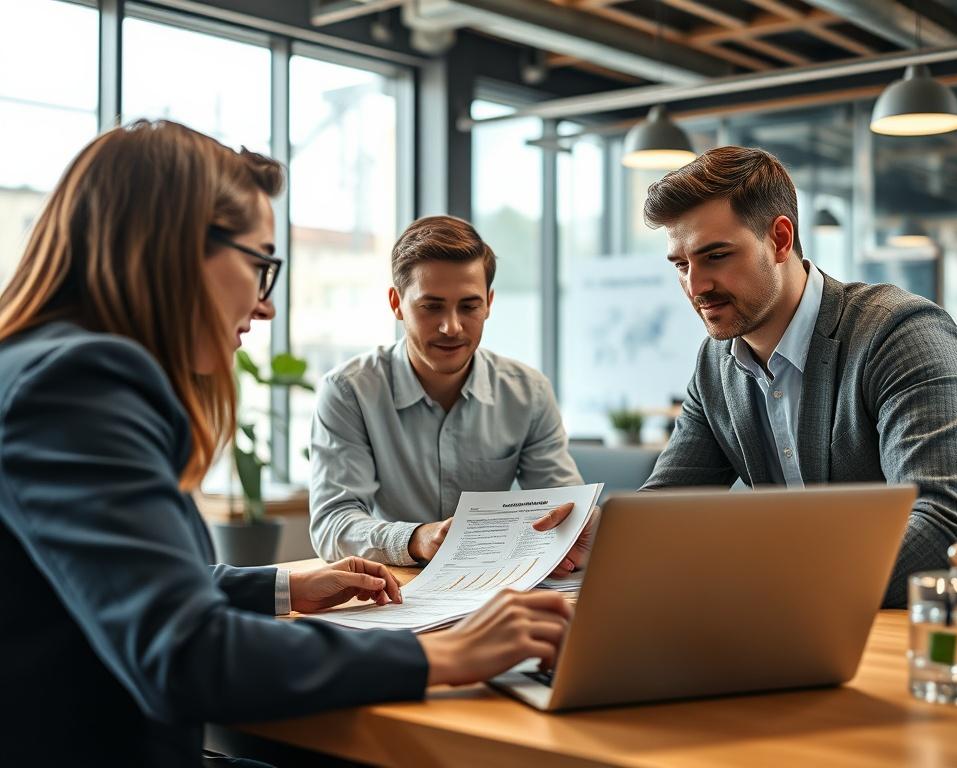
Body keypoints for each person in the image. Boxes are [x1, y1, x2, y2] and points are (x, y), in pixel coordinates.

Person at [0, 120, 573, 767]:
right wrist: (444, 653)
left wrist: (283, 587)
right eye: (260, 264)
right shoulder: (77, 383)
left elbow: (133, 583)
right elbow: (188, 654)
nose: (267, 305)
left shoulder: (44, 366)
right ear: (177, 248)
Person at [638, 145, 957, 617]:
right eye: (681, 265)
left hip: (949, 636)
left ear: (780, 239)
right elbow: (667, 510)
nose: (696, 287)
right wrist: (602, 538)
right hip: (806, 627)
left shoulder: (900, 334)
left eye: (715, 256)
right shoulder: (716, 364)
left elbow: (942, 528)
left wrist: (770, 587)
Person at [309, 215, 590, 574]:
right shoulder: (349, 392)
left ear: (488, 303)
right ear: (396, 303)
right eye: (432, 306)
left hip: (495, 584)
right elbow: (333, 522)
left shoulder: (528, 392)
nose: (452, 327)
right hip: (394, 587)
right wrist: (416, 538)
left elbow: (566, 504)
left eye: (469, 306)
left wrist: (572, 526)